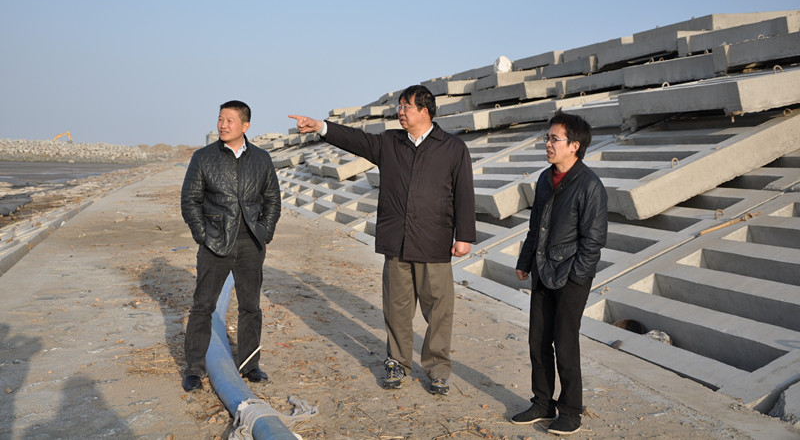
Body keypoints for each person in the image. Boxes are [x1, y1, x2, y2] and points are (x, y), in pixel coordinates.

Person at [289, 85, 476, 396]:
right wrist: (320, 126)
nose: (400, 112)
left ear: (425, 111)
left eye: (406, 107)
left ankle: (438, 369)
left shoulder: (452, 147)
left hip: (434, 241)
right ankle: (397, 362)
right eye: (399, 106)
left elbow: (464, 192)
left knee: (439, 310)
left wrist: (465, 236)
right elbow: (356, 140)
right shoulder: (390, 142)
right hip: (397, 241)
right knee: (396, 308)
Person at [512, 110, 608, 436]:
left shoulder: (590, 185)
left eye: (555, 139)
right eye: (547, 138)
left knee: (565, 345)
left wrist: (576, 277)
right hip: (543, 270)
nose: (548, 144)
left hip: (571, 277)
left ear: (574, 146)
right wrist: (525, 261)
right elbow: (536, 227)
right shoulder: (544, 179)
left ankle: (570, 411)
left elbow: (593, 242)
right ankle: (542, 403)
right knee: (538, 341)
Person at [180, 100, 281, 392]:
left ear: (245, 126)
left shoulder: (261, 158)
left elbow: (273, 200)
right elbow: (190, 201)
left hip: (251, 243)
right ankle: (194, 369)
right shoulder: (203, 157)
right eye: (220, 119)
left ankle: (250, 365)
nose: (223, 125)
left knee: (251, 306)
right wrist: (203, 236)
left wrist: (264, 233)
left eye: (229, 120)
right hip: (214, 243)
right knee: (203, 306)